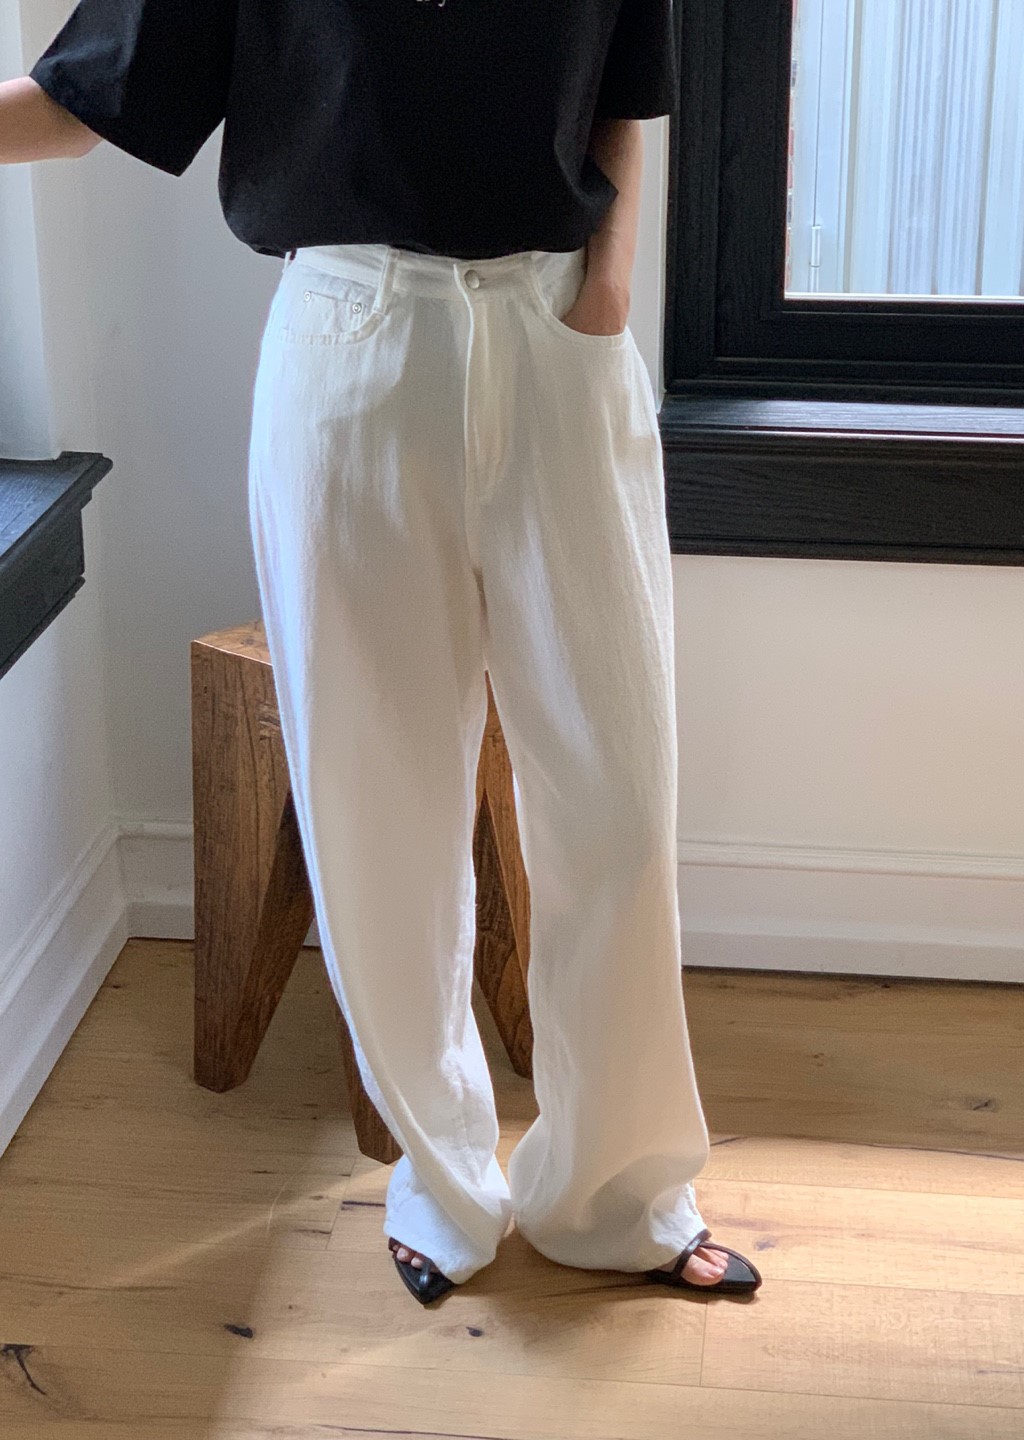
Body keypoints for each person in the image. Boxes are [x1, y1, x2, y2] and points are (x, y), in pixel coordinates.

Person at [2, 0, 763, 1306]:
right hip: (350, 337)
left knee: (621, 800)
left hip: (561, 331)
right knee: (379, 808)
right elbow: (88, 103)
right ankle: (443, 1182)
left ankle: (618, 1198)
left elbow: (625, 92)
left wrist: (609, 288)